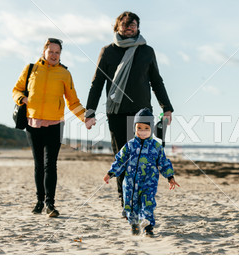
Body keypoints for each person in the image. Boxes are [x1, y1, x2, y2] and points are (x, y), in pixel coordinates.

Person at [85, 11, 174, 215]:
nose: (129, 26)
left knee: (145, 159)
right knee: (123, 158)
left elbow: (156, 81)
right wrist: (90, 112)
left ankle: (142, 200)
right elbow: (97, 83)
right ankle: (125, 202)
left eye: (133, 23)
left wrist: (166, 107)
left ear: (138, 27)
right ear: (117, 27)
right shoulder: (107, 52)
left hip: (142, 114)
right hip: (116, 112)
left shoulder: (146, 51)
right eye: (125, 24)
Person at [12, 38, 86, 217]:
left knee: (50, 165)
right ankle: (39, 201)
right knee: (38, 165)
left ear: (60, 54)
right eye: (51, 51)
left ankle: (50, 204)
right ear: (44, 51)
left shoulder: (64, 74)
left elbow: (73, 101)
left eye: (57, 52)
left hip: (55, 125)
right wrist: (22, 99)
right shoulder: (31, 69)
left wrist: (85, 118)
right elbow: (16, 89)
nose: (54, 55)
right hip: (33, 124)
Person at [103, 108, 179, 236]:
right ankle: (133, 224)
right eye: (139, 128)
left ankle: (148, 227)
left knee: (147, 202)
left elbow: (163, 162)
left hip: (149, 182)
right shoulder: (130, 145)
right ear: (134, 128)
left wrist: (170, 177)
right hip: (130, 182)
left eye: (146, 128)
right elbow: (120, 160)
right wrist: (111, 173)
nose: (142, 132)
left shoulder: (156, 147)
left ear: (151, 130)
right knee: (131, 203)